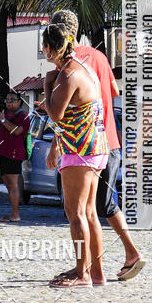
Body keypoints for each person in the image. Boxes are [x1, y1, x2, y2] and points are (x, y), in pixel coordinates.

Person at [50, 10, 145, 281]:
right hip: (108, 139)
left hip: (83, 142)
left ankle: (113, 260)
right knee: (98, 206)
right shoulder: (99, 57)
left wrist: (56, 143)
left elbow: (62, 111)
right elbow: (113, 91)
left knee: (84, 210)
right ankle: (99, 270)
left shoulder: (68, 63)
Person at [42, 24, 109, 288]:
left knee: (76, 212)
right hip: (95, 146)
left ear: (49, 48)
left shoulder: (67, 74)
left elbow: (55, 114)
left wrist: (47, 86)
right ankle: (95, 272)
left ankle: (83, 273)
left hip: (79, 149)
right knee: (89, 212)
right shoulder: (84, 68)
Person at [0, 91, 30, 223]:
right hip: (2, 153)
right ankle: (12, 213)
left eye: (12, 100)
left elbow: (17, 131)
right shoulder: (5, 114)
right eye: (7, 100)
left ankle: (15, 214)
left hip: (13, 154)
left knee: (13, 183)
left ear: (19, 101)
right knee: (8, 184)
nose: (9, 102)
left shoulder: (23, 116)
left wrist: (2, 119)